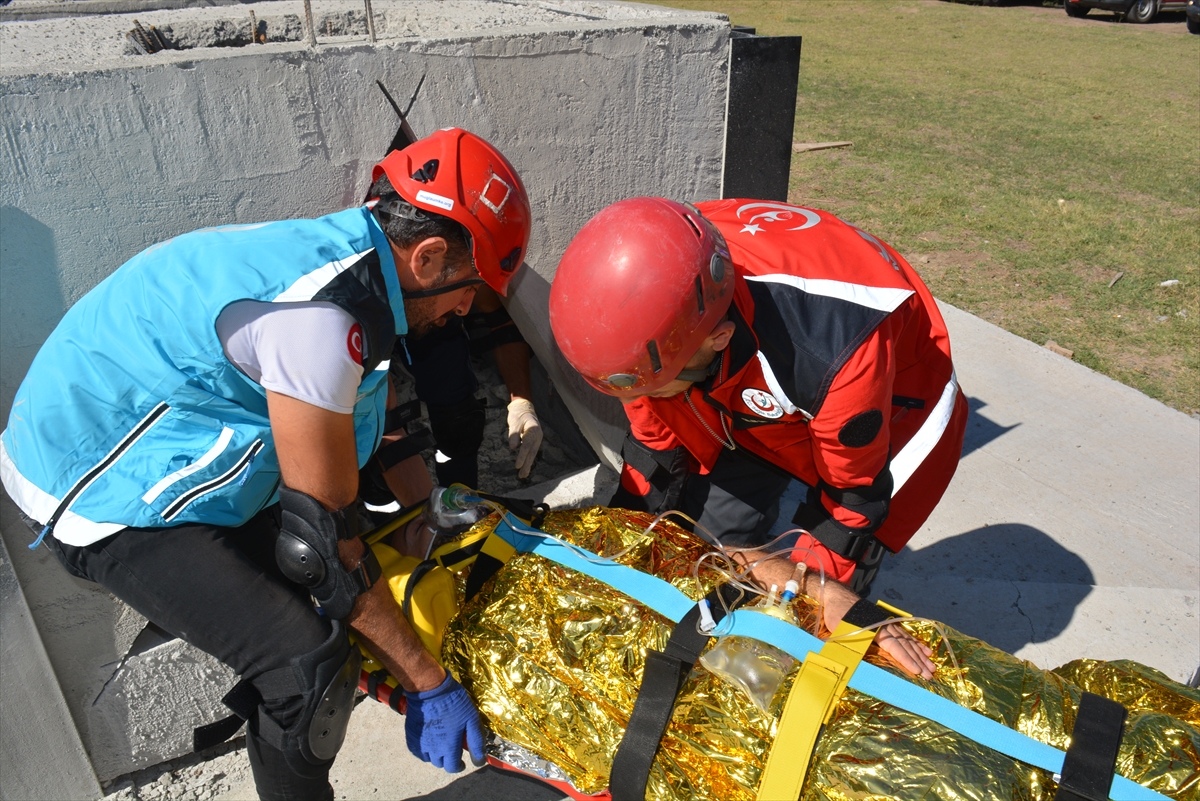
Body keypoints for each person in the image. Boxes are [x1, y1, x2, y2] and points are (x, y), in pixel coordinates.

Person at [0, 128, 531, 800]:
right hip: (96, 480)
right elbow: (323, 551)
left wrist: (431, 518)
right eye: (472, 292)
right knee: (306, 665)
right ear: (427, 256)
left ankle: (276, 716)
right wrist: (431, 682)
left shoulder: (359, 271)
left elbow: (378, 423)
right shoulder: (320, 319)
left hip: (145, 433)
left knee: (320, 621)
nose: (467, 309)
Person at [549, 197, 967, 601]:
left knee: (816, 593)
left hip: (895, 401)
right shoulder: (663, 284)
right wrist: (627, 527)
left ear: (718, 337)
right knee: (708, 550)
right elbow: (653, 439)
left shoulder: (834, 354)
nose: (646, 398)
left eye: (654, 388)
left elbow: (851, 501)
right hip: (754, 379)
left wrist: (812, 589)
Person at [393, 282, 543, 489]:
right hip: (370, 326)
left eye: (471, 289)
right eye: (466, 290)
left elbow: (499, 321)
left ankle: (459, 500)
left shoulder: (464, 263)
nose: (465, 309)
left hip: (427, 314)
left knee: (459, 425)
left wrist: (522, 402)